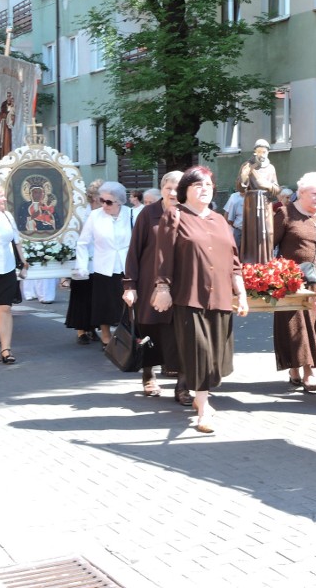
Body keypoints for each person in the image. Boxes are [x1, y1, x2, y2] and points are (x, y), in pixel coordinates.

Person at [152, 166, 248, 433]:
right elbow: (164, 257)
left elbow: (234, 261)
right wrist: (163, 287)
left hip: (219, 297)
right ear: (186, 191)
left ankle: (201, 397)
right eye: (197, 185)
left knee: (216, 356)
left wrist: (240, 293)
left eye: (207, 184)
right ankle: (203, 407)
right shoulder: (175, 216)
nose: (204, 189)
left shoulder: (219, 220)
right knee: (200, 352)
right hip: (189, 296)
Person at [123, 171, 192, 405]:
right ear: (161, 189)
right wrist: (129, 285)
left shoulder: (191, 213)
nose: (173, 193)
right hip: (149, 284)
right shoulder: (148, 214)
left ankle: (182, 386)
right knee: (148, 331)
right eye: (168, 188)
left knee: (182, 334)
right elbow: (134, 252)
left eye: (177, 188)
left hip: (182, 286)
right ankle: (148, 373)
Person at [273, 172, 316, 392]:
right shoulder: (285, 214)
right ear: (301, 193)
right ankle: (300, 369)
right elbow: (270, 245)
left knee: (313, 323)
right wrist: (270, 275)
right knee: (294, 324)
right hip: (291, 280)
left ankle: (305, 369)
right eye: (315, 194)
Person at [75, 181, 132, 347]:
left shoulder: (132, 214)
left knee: (127, 305)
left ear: (120, 201)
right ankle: (106, 337)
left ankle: (126, 336)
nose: (104, 205)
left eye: (109, 202)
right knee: (104, 304)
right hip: (103, 266)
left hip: (126, 266)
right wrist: (82, 267)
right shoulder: (95, 216)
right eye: (102, 200)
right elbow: (83, 243)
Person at [65, 179, 103, 344]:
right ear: (94, 197)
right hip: (82, 260)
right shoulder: (82, 212)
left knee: (95, 296)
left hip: (99, 261)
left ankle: (93, 327)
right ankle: (81, 330)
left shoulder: (105, 213)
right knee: (81, 295)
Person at [237, 139, 282, 264]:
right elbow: (240, 188)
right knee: (252, 233)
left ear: (268, 152)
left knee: (267, 233)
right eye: (259, 151)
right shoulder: (247, 165)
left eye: (264, 151)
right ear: (255, 152)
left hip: (266, 202)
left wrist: (267, 185)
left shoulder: (271, 168)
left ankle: (266, 261)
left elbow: (277, 189)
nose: (262, 154)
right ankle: (251, 261)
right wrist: (244, 176)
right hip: (251, 203)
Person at [0, 185, 29, 363]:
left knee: (5, 308)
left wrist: (24, 262)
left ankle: (6, 350)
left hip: (7, 267)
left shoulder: (7, 216)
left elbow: (16, 240)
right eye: (0, 196)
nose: (4, 199)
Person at [223, 187, 244, 251]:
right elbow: (227, 215)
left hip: (252, 232)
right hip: (238, 230)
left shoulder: (255, 196)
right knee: (236, 251)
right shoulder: (234, 197)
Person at [0, 91, 15, 160]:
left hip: (8, 127)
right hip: (2, 125)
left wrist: (11, 119)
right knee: (1, 140)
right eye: (8, 96)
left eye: (10, 96)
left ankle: (7, 156)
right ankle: (1, 156)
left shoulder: (12, 105)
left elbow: (13, 116)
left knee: (7, 141)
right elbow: (1, 114)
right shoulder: (3, 104)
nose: (9, 97)